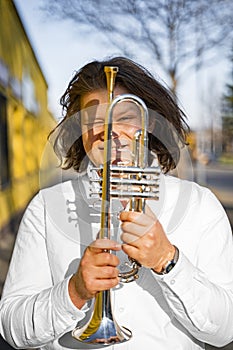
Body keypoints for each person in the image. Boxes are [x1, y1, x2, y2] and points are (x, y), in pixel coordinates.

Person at [0, 56, 233, 350]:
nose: (109, 131)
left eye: (124, 117)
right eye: (94, 120)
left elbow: (226, 329)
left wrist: (168, 261)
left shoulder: (201, 205)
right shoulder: (46, 206)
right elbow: (12, 327)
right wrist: (73, 291)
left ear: (149, 123)